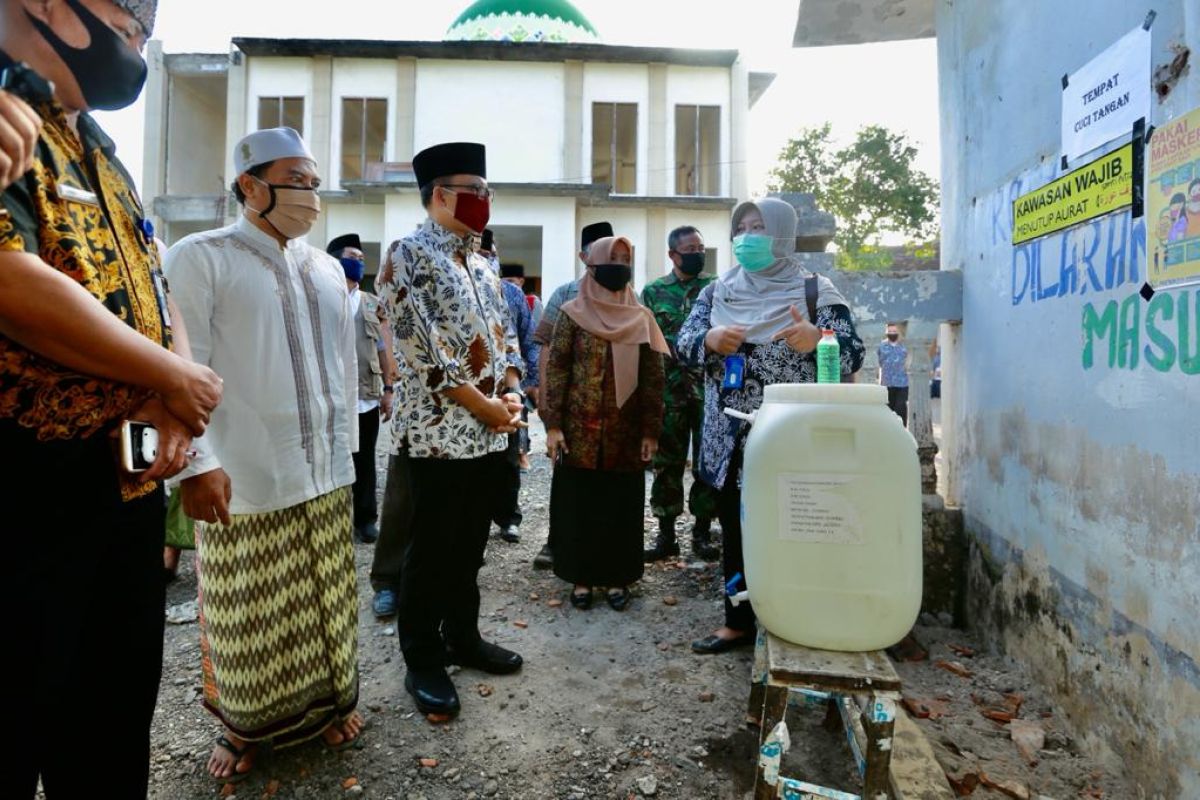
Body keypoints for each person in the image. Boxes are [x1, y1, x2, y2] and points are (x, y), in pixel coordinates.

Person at [0, 2, 226, 796]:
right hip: (25, 490)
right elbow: (10, 283)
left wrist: (174, 400)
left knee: (106, 728)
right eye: (131, 20)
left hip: (122, 488)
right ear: (54, 8)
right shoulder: (6, 111)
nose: (141, 37)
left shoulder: (99, 147)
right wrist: (168, 377)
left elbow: (154, 288)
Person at [167, 127, 363, 781]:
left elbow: (344, 372)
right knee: (245, 617)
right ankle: (244, 729)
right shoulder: (202, 257)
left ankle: (329, 707)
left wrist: (348, 455)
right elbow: (178, 368)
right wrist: (196, 465)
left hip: (326, 469)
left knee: (327, 603)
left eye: (313, 181)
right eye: (295, 179)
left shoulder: (328, 268)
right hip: (241, 472)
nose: (310, 194)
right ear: (250, 185)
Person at [378, 141, 526, 718]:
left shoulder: (484, 263)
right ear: (440, 194)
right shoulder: (408, 255)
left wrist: (511, 389)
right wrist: (482, 405)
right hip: (439, 436)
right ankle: (422, 657)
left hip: (490, 433)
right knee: (431, 550)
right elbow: (424, 351)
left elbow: (506, 334)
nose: (485, 200)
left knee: (469, 546)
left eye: (488, 191)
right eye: (475, 190)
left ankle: (462, 636)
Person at [677, 197, 864, 655]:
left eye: (758, 226)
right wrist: (709, 338)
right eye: (741, 227)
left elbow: (854, 353)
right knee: (737, 526)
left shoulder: (814, 290)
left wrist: (816, 339)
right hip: (731, 438)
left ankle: (798, 616)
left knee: (795, 521)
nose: (747, 235)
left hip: (794, 436)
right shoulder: (718, 291)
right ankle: (737, 621)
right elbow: (682, 344)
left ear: (781, 232)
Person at [543, 236, 667, 611]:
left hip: (624, 434)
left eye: (625, 259)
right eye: (612, 258)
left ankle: (617, 577)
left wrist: (650, 431)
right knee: (579, 504)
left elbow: (653, 378)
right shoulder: (571, 312)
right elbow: (558, 368)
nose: (619, 264)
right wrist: (552, 424)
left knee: (619, 506)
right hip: (578, 430)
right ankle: (581, 577)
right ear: (592, 263)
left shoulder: (642, 316)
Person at [528, 220, 613, 569]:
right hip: (572, 408)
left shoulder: (625, 295)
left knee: (607, 483)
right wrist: (549, 411)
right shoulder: (564, 295)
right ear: (583, 255)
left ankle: (601, 549)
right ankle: (556, 542)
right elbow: (546, 351)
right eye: (600, 251)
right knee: (565, 478)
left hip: (611, 409)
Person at [641, 225, 721, 562]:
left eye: (700, 248)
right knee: (667, 464)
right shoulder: (654, 292)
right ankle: (666, 535)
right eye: (689, 249)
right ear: (673, 255)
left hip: (707, 391)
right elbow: (645, 345)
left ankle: (702, 532)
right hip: (669, 393)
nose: (696, 254)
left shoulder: (717, 288)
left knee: (707, 462)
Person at [328, 232, 399, 544]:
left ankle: (366, 519)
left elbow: (384, 348)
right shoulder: (323, 298)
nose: (357, 262)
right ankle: (335, 520)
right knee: (334, 459)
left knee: (365, 459)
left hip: (367, 396)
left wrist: (388, 389)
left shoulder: (372, 303)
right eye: (350, 257)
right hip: (333, 396)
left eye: (360, 258)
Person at [490, 257, 540, 541]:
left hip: (509, 385)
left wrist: (531, 383)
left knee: (510, 455)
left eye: (490, 254)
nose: (485, 259)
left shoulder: (512, 294)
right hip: (469, 389)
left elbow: (528, 338)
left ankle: (509, 518)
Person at [878, 323, 909, 426]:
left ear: (899, 332)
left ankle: (902, 431)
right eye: (889, 332)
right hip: (886, 383)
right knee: (887, 410)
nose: (892, 334)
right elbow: (878, 361)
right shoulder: (881, 345)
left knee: (900, 408)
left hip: (902, 383)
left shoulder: (905, 346)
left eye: (894, 332)